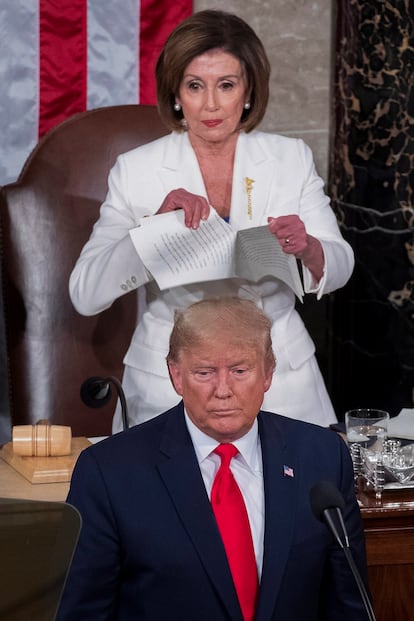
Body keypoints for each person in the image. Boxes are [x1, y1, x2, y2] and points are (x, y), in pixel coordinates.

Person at [69, 9, 354, 433]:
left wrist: (308, 247)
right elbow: (85, 292)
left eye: (226, 85)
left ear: (249, 91)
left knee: (300, 496)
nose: (212, 104)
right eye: (195, 86)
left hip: (280, 379)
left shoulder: (289, 158)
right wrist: (152, 232)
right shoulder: (136, 170)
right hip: (171, 383)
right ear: (176, 94)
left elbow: (341, 264)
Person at [56, 297, 369, 621]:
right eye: (204, 372)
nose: (223, 390)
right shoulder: (109, 473)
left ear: (267, 374)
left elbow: (349, 604)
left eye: (239, 370)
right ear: (176, 375)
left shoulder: (321, 456)